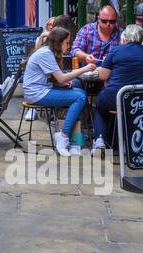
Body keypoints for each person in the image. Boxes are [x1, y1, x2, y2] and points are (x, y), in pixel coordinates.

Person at [24, 26, 97, 157]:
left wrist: (61, 84)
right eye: (67, 43)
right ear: (59, 42)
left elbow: (55, 79)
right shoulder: (46, 54)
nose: (69, 46)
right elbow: (62, 77)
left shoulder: (47, 51)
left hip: (40, 89)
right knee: (80, 97)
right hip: (36, 93)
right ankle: (64, 137)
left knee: (79, 93)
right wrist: (84, 69)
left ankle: (74, 141)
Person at [89, 23, 143, 151]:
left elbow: (102, 76)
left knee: (100, 108)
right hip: (141, 99)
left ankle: (100, 140)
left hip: (116, 96)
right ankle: (130, 143)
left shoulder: (116, 50)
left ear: (124, 38)